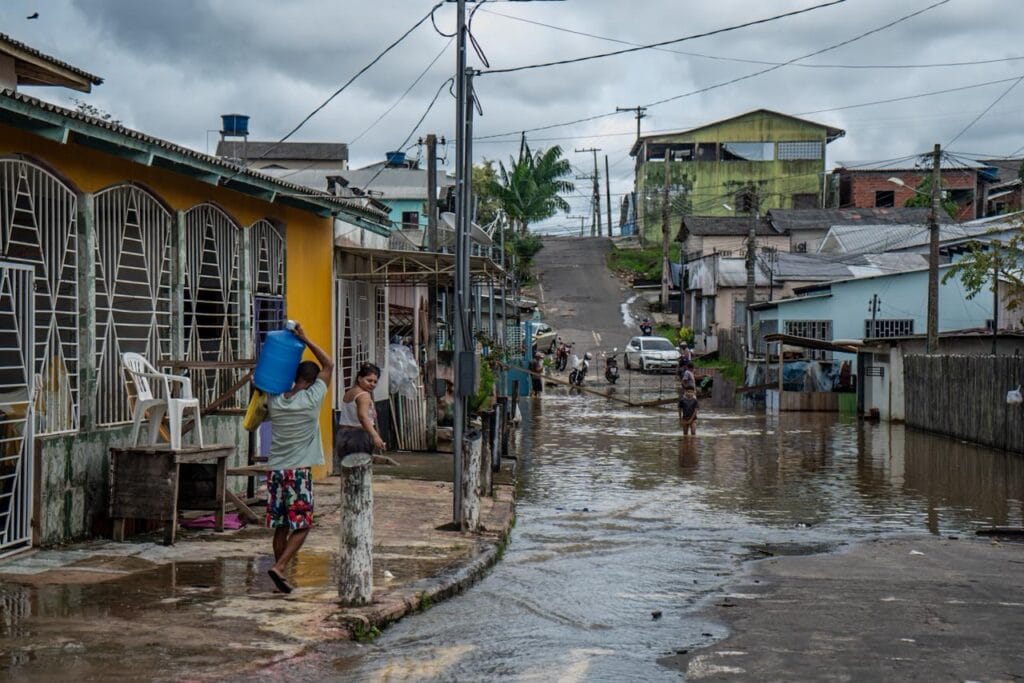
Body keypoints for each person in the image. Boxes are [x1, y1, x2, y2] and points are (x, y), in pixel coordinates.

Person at [265, 323, 332, 594]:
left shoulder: (276, 400)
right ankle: (280, 567)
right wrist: (305, 339)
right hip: (298, 472)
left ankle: (281, 572)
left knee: (281, 525)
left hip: (275, 471)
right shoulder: (313, 398)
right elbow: (329, 365)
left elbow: (266, 379)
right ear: (313, 380)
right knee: (303, 525)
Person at [334, 363, 387, 475]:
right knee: (360, 473)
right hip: (358, 437)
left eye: (375, 381)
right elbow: (362, 417)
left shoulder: (350, 392)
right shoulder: (363, 395)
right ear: (359, 378)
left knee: (347, 473)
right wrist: (375, 436)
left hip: (342, 434)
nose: (372, 384)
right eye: (369, 380)